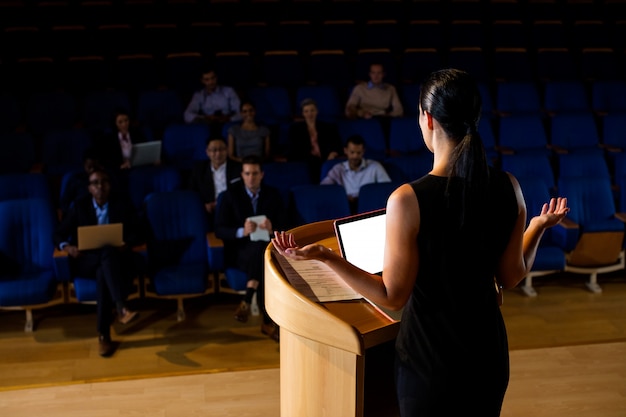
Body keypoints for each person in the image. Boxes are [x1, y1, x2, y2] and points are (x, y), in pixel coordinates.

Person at [272, 69, 570, 416]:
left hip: (431, 362)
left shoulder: (408, 200)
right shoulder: (509, 186)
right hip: (488, 356)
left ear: (427, 119)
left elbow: (392, 295)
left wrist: (327, 256)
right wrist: (535, 227)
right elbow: (511, 276)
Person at [55, 168, 143, 358]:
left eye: (104, 182)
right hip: (87, 261)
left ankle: (104, 335)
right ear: (89, 188)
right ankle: (121, 307)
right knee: (105, 259)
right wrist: (68, 247)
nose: (100, 186)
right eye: (95, 183)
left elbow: (139, 231)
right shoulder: (80, 206)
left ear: (110, 185)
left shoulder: (122, 203)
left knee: (104, 268)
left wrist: (126, 243)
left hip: (116, 260)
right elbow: (58, 233)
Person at [214, 155, 285, 342]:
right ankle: (268, 322)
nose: (251, 177)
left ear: (262, 174)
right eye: (247, 173)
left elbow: (287, 224)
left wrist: (272, 228)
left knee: (262, 251)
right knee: (263, 259)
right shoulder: (230, 195)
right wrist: (241, 231)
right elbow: (219, 229)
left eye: (255, 173)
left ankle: (248, 298)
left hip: (265, 250)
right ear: (242, 175)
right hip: (240, 251)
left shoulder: (273, 194)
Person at [320, 134, 391, 213]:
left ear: (363, 151)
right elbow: (324, 189)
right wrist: (342, 197)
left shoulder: (375, 167)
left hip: (370, 208)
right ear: (345, 151)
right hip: (344, 208)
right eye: (352, 152)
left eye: (358, 153)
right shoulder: (338, 169)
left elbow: (386, 189)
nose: (355, 156)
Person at [187, 136, 242, 231]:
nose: (218, 153)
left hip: (233, 210)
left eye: (221, 149)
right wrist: (204, 205)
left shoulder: (238, 168)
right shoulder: (199, 170)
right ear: (207, 152)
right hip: (209, 211)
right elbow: (192, 192)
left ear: (227, 150)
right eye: (214, 150)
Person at [287, 98, 343, 182]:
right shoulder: (295, 130)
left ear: (317, 111)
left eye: (312, 110)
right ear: (303, 113)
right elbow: (293, 150)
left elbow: (337, 145)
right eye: (306, 111)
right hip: (306, 162)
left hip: (326, 160)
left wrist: (333, 153)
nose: (309, 114)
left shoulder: (328, 127)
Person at [183, 66, 241, 137]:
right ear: (202, 81)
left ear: (216, 78)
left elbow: (241, 112)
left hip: (227, 124)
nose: (211, 82)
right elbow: (187, 115)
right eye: (207, 80)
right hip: (208, 125)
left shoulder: (229, 91)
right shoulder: (199, 95)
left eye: (213, 78)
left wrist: (229, 118)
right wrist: (205, 118)